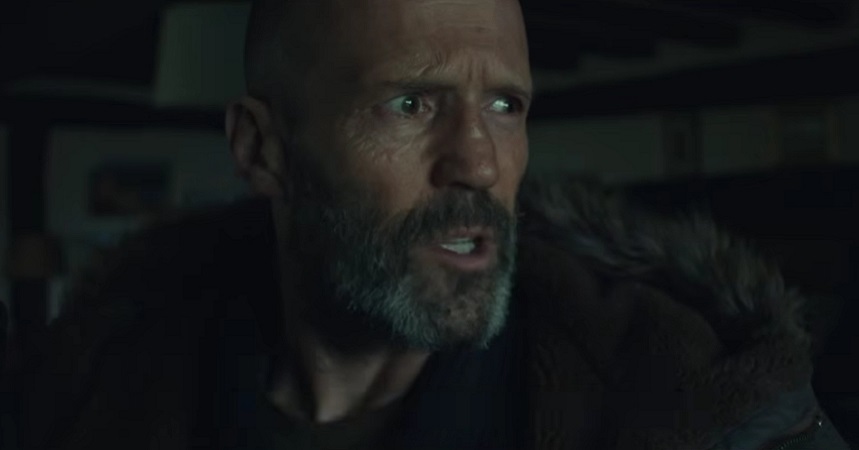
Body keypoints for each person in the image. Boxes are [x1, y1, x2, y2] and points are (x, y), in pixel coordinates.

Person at [15, 0, 850, 449]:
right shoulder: (88, 397)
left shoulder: (700, 402)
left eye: (504, 105)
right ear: (261, 148)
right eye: (411, 104)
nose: (479, 163)